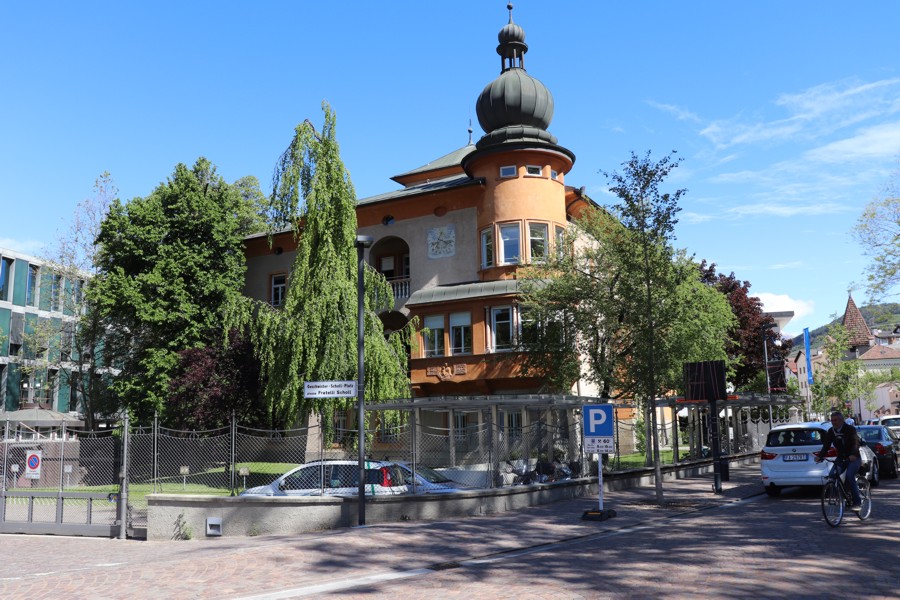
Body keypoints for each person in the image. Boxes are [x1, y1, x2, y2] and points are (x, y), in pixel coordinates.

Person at [815, 410, 862, 510]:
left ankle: (857, 502)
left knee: (849, 475)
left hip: (854, 458)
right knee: (832, 475)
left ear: (841, 420)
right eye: (832, 420)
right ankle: (844, 496)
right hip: (841, 457)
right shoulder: (831, 431)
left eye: (835, 420)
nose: (833, 422)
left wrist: (853, 454)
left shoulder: (850, 429)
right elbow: (826, 445)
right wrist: (820, 456)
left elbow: (855, 443)